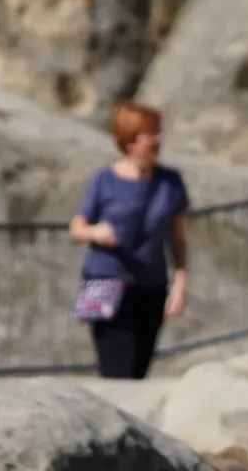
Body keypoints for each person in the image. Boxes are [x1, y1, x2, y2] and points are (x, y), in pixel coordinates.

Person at [69, 102, 189, 381]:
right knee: (115, 370)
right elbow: (76, 228)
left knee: (138, 370)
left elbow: (178, 238)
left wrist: (180, 286)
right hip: (103, 281)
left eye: (158, 132)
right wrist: (94, 232)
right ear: (130, 140)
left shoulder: (170, 182)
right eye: (150, 133)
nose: (157, 140)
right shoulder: (103, 180)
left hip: (150, 286)